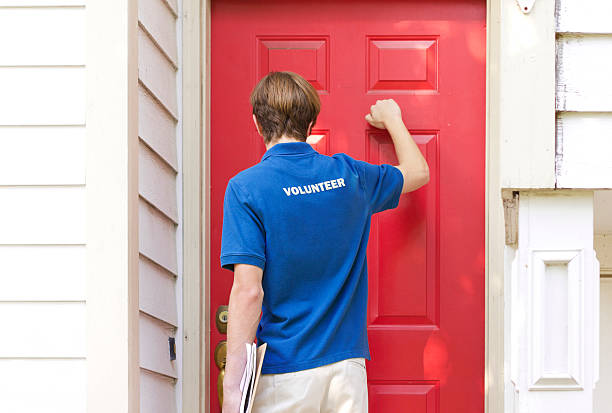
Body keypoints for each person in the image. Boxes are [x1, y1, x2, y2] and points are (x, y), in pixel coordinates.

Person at [220, 71, 429, 413]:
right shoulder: (351, 176)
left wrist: (234, 390)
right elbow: (418, 171)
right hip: (347, 369)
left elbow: (248, 291)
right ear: (312, 122)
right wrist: (392, 118)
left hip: (284, 373)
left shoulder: (246, 188)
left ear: (257, 123)